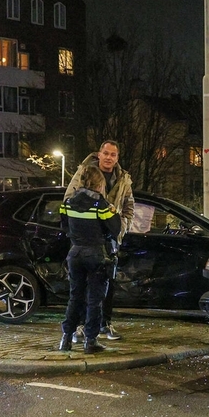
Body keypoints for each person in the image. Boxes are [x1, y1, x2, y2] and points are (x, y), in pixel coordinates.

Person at [63, 140, 134, 342]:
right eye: (106, 153)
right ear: (99, 154)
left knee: (107, 286)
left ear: (117, 158)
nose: (109, 157)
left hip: (110, 241)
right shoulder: (85, 172)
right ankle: (82, 330)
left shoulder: (123, 179)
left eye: (113, 154)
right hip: (88, 241)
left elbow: (129, 206)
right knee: (87, 291)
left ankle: (103, 325)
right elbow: (69, 199)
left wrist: (122, 228)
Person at [57, 166, 121, 354]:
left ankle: (66, 338)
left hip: (75, 253)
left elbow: (65, 227)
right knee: (95, 300)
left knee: (75, 297)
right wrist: (113, 211)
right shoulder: (101, 205)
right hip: (95, 255)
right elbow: (114, 229)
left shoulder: (68, 203)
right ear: (98, 184)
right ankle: (90, 341)